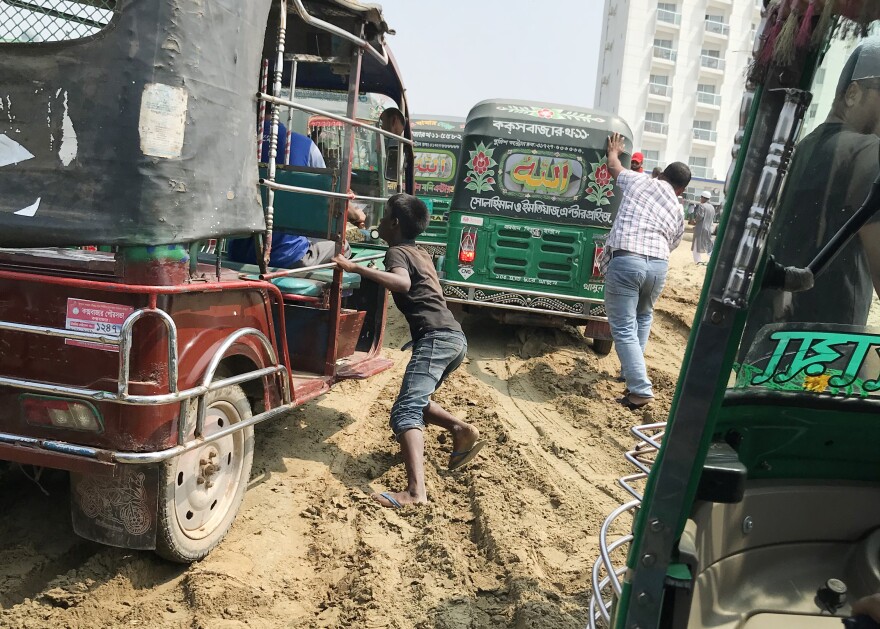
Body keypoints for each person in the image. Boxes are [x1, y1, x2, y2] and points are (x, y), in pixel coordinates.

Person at [333, 194, 486, 508]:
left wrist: (355, 268)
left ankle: (416, 493)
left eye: (384, 214)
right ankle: (461, 429)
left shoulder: (396, 252)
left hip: (435, 339)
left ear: (395, 223)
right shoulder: (420, 252)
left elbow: (401, 284)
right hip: (453, 338)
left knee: (405, 411)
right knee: (417, 401)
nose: (378, 221)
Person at [739, 37, 880, 355]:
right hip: (828, 352)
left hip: (770, 338)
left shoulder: (800, 149)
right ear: (854, 93)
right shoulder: (869, 152)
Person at [599, 133, 690, 409]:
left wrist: (613, 151)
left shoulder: (640, 181)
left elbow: (614, 167)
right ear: (681, 190)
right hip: (658, 265)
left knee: (624, 326)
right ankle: (629, 374)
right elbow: (674, 242)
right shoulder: (678, 208)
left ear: (662, 176)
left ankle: (640, 389)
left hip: (627, 259)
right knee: (642, 317)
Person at [228, 122, 366, 268]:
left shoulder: (237, 143)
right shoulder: (305, 146)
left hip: (237, 253)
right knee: (344, 247)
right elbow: (329, 198)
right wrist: (356, 215)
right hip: (286, 256)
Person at [691, 190, 715, 265]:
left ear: (703, 198)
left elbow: (700, 216)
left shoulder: (702, 205)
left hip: (700, 228)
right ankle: (712, 258)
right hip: (709, 228)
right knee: (708, 244)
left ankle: (697, 261)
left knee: (696, 244)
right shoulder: (712, 207)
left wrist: (694, 221)